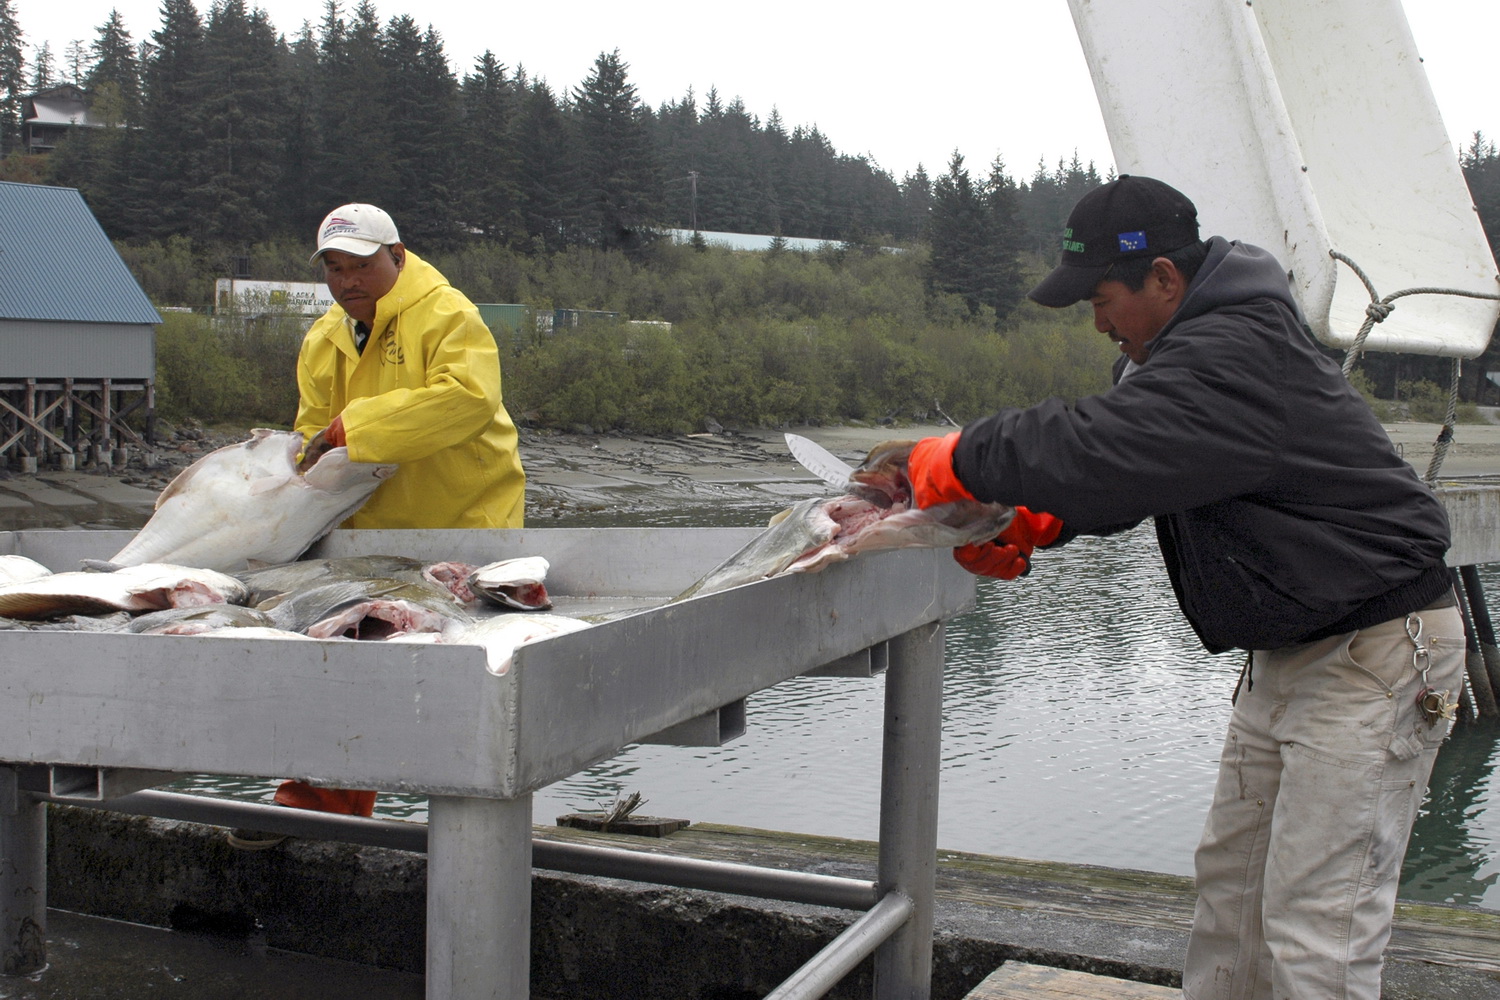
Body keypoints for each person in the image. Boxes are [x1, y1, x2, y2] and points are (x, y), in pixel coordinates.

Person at [883, 175, 1463, 1000]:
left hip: (1375, 654)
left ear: (1164, 279)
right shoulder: (1174, 362)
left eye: (1103, 296)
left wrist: (963, 454)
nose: (1097, 320)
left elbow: (1113, 442)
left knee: (1315, 934)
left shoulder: (1236, 351)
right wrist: (1037, 521)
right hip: (1292, 654)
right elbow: (1144, 471)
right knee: (1231, 908)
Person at [275, 203, 527, 818]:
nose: (347, 281)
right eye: (334, 268)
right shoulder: (323, 337)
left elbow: (467, 400)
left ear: (398, 255)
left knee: (468, 682)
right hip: (366, 533)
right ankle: (319, 804)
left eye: (361, 265)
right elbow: (311, 431)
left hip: (463, 525)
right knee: (340, 659)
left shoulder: (449, 315)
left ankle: (476, 815)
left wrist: (351, 429)